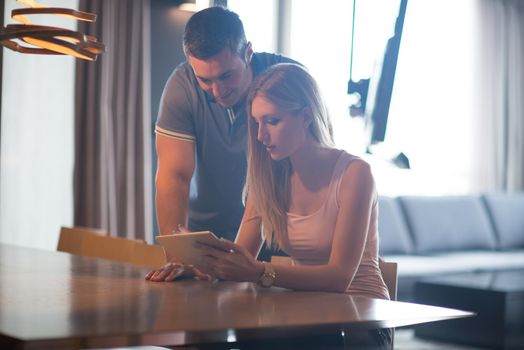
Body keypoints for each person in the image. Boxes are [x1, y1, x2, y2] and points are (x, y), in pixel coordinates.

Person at [147, 63, 392, 348]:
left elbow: (339, 278)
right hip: (307, 315)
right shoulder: (268, 178)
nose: (261, 136)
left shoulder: (355, 174)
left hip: (361, 320)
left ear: (306, 117)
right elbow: (242, 256)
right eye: (257, 123)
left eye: (272, 122)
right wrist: (203, 266)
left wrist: (257, 272)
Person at [155, 6, 296, 243]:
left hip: (278, 234)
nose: (217, 91)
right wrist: (178, 251)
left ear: (248, 53)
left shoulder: (286, 80)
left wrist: (237, 261)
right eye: (205, 80)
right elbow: (175, 176)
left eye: (226, 76)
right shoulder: (182, 87)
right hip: (208, 233)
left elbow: (268, 182)